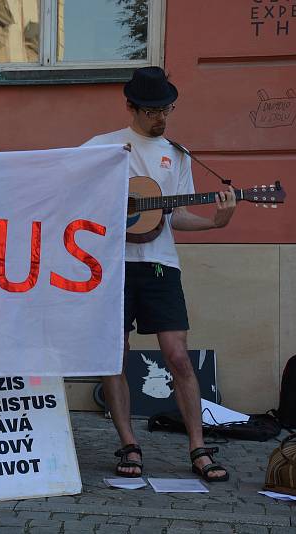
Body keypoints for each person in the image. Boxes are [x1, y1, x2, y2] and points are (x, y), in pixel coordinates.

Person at [83, 67, 237, 482]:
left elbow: (177, 215)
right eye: (152, 110)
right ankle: (129, 445)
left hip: (160, 264)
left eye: (166, 109)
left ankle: (198, 447)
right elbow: (74, 193)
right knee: (116, 355)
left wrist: (215, 223)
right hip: (111, 265)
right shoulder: (102, 148)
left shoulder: (178, 154)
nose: (161, 118)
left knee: (178, 357)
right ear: (131, 106)